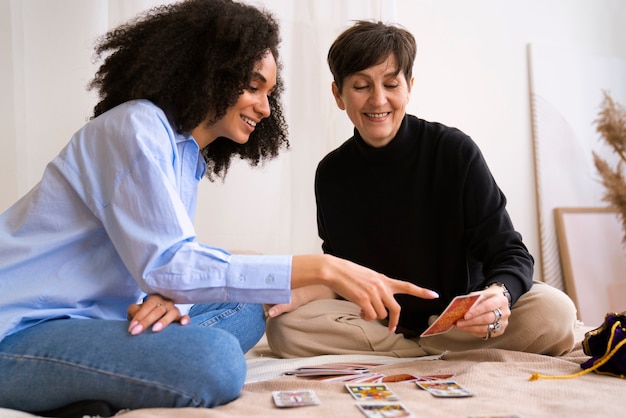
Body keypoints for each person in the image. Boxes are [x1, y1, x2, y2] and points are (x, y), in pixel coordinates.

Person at [0, 5, 438, 416]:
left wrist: (169, 298)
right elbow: (169, 264)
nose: (266, 108)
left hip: (102, 319)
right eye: (252, 86)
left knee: (249, 307)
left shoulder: (185, 154)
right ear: (208, 73)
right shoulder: (134, 126)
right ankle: (134, 375)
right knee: (219, 361)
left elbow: (162, 265)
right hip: (19, 330)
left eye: (269, 92)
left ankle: (133, 372)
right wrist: (321, 268)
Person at [265, 20, 579, 359]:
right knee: (285, 328)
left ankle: (418, 349)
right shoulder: (331, 174)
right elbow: (343, 276)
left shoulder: (455, 152)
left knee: (556, 312)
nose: (378, 99)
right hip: (382, 323)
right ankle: (419, 351)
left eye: (390, 84)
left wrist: (499, 296)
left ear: (409, 87)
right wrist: (302, 295)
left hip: (460, 323)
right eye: (360, 86)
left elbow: (510, 254)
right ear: (338, 95)